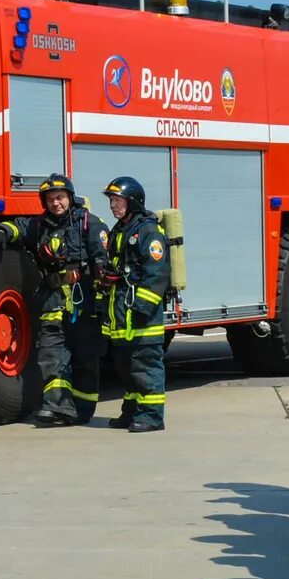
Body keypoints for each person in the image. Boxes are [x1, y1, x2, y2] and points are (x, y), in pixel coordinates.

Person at [0, 174, 108, 426]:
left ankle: (82, 408)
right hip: (53, 301)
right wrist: (4, 231)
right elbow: (21, 227)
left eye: (60, 198)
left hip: (83, 302)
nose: (55, 203)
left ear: (70, 197)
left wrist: (101, 301)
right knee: (50, 354)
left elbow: (103, 263)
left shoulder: (90, 224)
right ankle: (57, 406)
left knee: (84, 357)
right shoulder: (40, 226)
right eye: (50, 199)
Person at [102, 176, 171, 432]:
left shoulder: (148, 231)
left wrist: (142, 308)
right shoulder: (119, 230)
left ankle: (152, 416)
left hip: (142, 317)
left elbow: (158, 274)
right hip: (123, 316)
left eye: (117, 200)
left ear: (132, 202)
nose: (112, 205)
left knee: (145, 367)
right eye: (111, 201)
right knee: (127, 368)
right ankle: (131, 413)